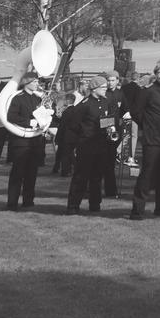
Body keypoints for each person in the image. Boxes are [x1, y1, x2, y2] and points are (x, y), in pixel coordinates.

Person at [129, 62, 160, 221]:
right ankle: (137, 211)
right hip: (152, 139)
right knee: (147, 175)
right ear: (155, 74)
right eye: (159, 73)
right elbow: (136, 111)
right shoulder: (147, 91)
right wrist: (148, 125)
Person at [66, 75, 120, 215]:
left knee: (97, 176)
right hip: (86, 145)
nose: (105, 89)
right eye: (102, 87)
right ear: (94, 89)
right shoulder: (84, 105)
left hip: (101, 144)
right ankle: (73, 206)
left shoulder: (105, 102)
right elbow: (74, 125)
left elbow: (107, 119)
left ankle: (95, 204)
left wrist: (110, 128)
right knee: (81, 176)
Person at [5, 72, 47, 211]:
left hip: (35, 140)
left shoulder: (36, 99)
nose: (37, 84)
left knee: (32, 173)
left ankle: (28, 201)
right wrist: (29, 122)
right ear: (27, 83)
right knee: (18, 173)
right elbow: (11, 117)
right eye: (35, 82)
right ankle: (12, 203)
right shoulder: (18, 98)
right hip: (21, 141)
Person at [51, 94, 78, 177]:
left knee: (65, 155)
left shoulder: (66, 112)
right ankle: (68, 169)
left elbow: (62, 126)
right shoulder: (77, 110)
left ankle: (65, 171)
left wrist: (58, 138)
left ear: (67, 100)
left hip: (66, 137)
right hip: (74, 136)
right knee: (69, 154)